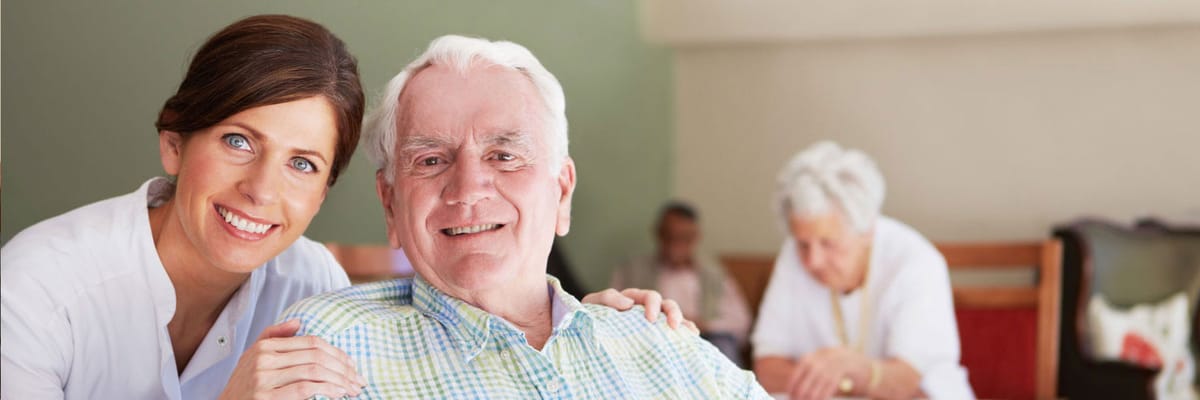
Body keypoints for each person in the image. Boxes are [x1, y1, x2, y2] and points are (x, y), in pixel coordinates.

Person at [0, 16, 688, 400]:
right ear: (174, 143)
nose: (263, 190)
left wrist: (587, 324)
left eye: (302, 163)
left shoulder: (315, 295)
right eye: (240, 141)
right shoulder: (38, 288)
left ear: (325, 190)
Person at [281, 34, 770, 399]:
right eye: (431, 160)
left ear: (561, 193)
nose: (468, 189)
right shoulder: (328, 347)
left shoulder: (656, 340)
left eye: (504, 156)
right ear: (391, 204)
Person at [751, 141, 975, 399]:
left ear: (867, 231)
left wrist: (857, 372)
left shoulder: (916, 261)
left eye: (828, 243)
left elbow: (911, 382)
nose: (813, 260)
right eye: (803, 244)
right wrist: (842, 382)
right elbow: (767, 368)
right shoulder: (792, 254)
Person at [611, 200, 752, 365]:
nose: (675, 244)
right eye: (669, 236)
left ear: (696, 237)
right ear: (658, 233)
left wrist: (704, 323)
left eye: (683, 237)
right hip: (651, 339)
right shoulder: (632, 270)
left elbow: (741, 321)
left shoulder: (714, 275)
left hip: (702, 341)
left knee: (724, 346)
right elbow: (612, 313)